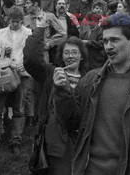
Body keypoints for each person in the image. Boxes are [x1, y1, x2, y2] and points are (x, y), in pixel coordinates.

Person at [54, 16, 130, 174]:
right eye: (105, 41)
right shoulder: (90, 80)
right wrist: (62, 92)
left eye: (115, 40)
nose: (108, 47)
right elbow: (71, 123)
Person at [23, 14, 89, 175]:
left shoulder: (90, 79)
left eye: (75, 52)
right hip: (56, 143)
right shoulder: (51, 73)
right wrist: (39, 29)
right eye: (66, 53)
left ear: (82, 55)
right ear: (61, 56)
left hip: (83, 141)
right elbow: (31, 59)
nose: (70, 56)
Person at [0, 7, 33, 156]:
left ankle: (16, 141)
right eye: (12, 22)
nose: (15, 24)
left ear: (22, 21)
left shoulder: (28, 32)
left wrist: (25, 64)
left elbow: (32, 53)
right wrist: (1, 51)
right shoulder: (1, 33)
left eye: (18, 22)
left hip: (21, 73)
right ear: (8, 20)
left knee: (19, 108)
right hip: (3, 73)